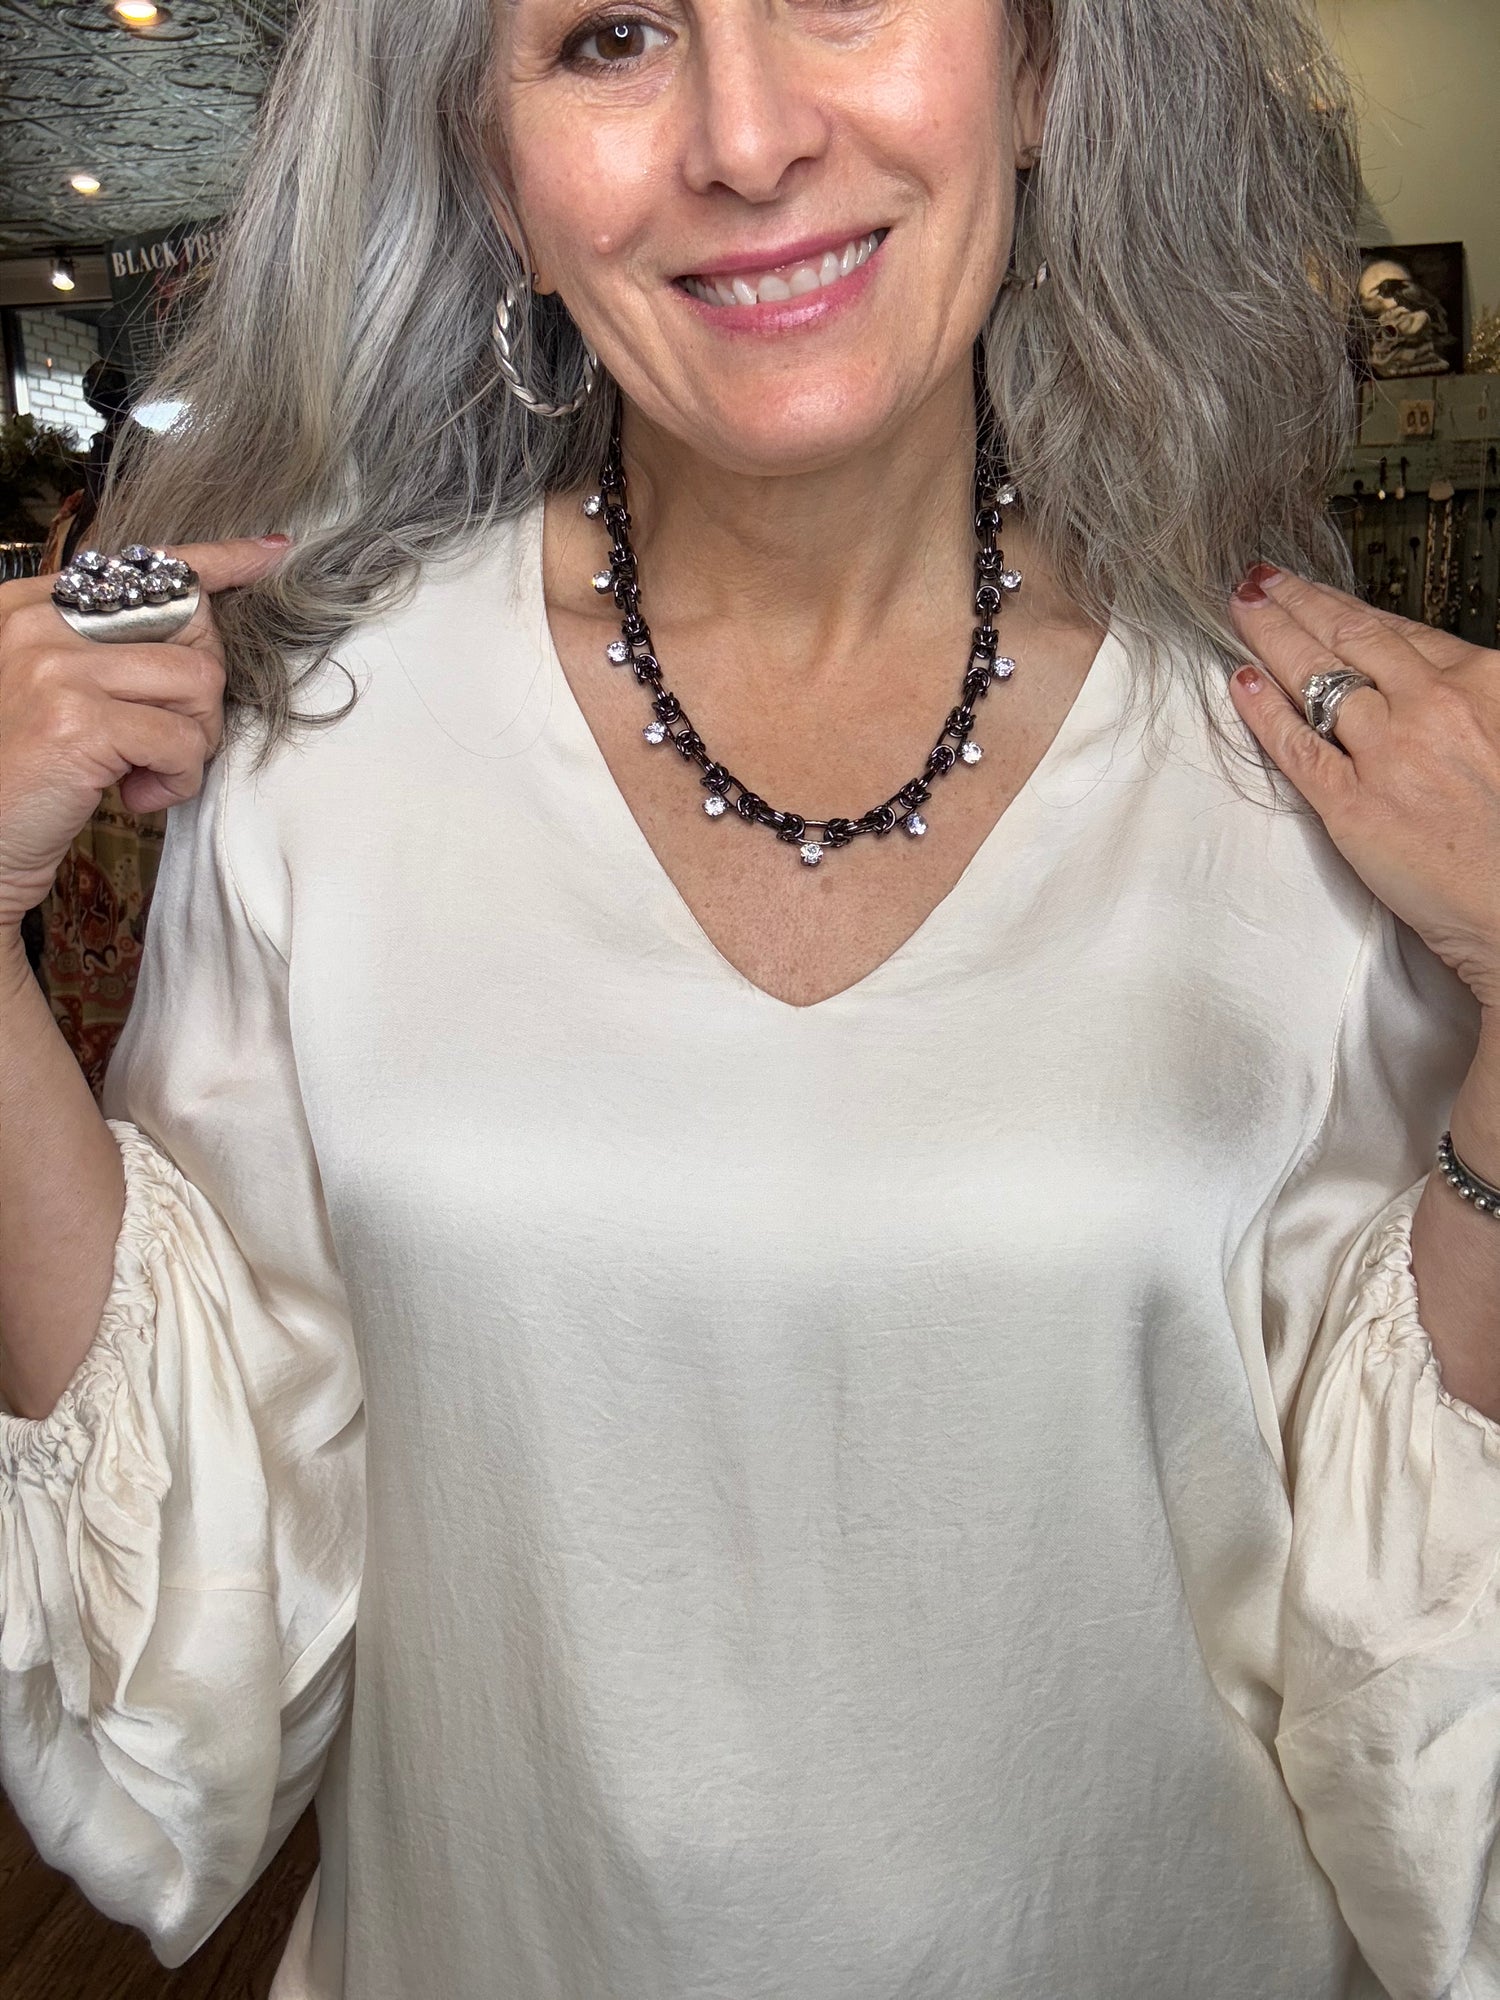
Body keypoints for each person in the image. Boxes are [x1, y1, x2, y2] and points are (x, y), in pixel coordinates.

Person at [1, 2, 1497, 1996]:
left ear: (1042, 74)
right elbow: (190, 1605)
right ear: (496, 181)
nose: (747, 134)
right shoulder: (330, 749)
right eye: (611, 36)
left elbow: (1420, 1667)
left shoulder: (1299, 772)